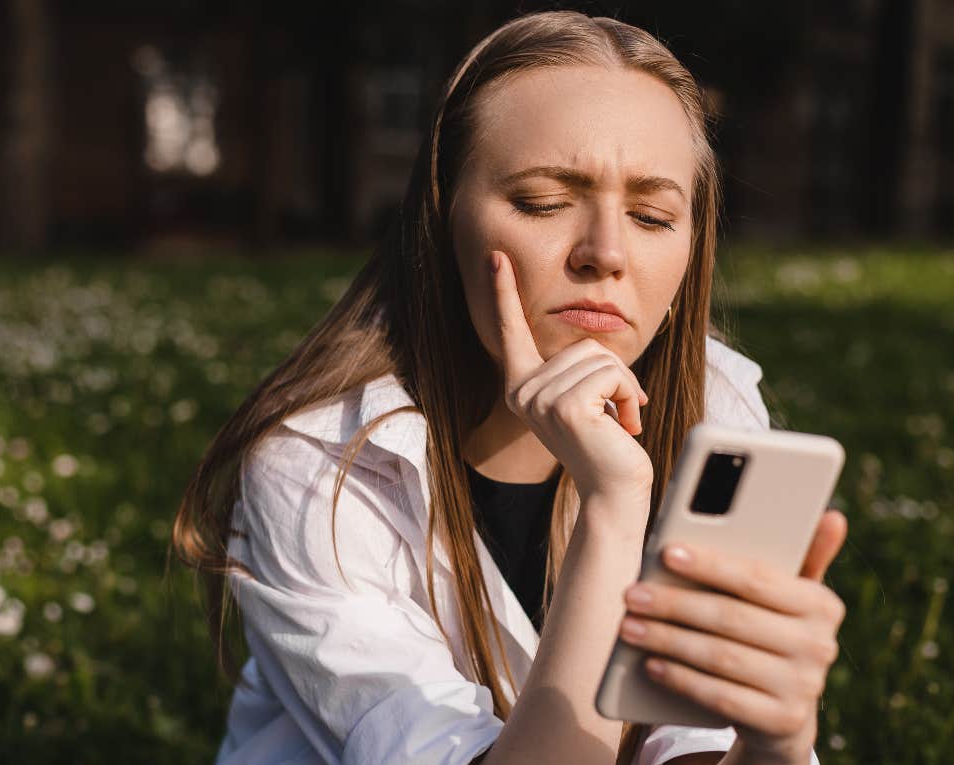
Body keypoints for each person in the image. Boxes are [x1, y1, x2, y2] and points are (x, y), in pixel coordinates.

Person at [173, 10, 849, 765]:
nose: (606, 253)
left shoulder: (718, 409)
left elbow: (694, 742)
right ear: (442, 217)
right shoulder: (320, 470)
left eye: (654, 215)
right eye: (542, 203)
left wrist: (774, 740)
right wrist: (615, 506)